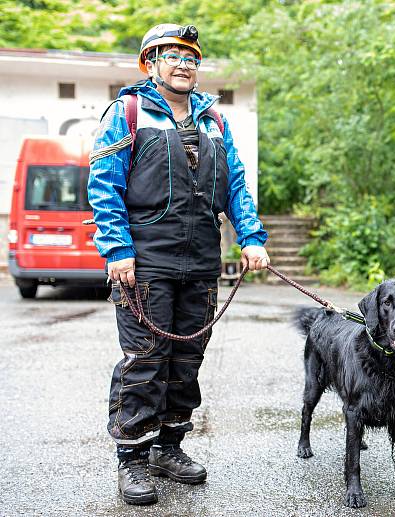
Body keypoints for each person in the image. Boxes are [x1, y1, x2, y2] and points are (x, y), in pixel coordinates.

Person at [88, 23, 270, 505]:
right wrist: (117, 249)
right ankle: (132, 458)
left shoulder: (215, 122)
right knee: (145, 361)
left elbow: (235, 187)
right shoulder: (127, 112)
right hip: (144, 262)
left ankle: (170, 448)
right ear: (150, 63)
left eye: (190, 58)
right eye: (172, 56)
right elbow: (104, 186)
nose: (183, 64)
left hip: (201, 262)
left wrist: (250, 237)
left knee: (186, 362)